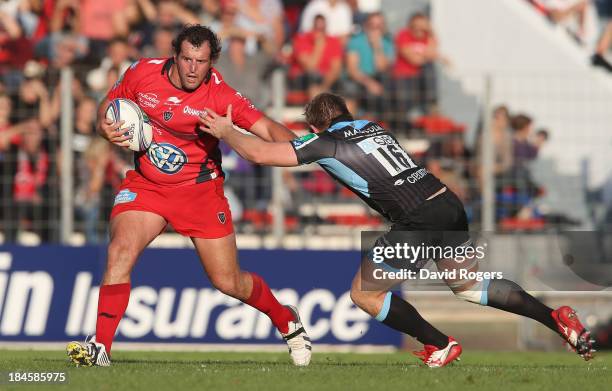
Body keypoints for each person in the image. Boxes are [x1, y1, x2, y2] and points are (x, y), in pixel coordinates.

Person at [200, 92, 595, 367]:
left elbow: (258, 154)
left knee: (364, 294)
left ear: (318, 125)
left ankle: (440, 344)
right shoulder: (373, 127)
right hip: (447, 203)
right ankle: (555, 317)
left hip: (418, 219)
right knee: (470, 287)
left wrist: (227, 131)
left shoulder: (326, 142)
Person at [66, 25, 311, 368]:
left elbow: (268, 129)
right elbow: (110, 105)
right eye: (187, 59)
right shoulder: (141, 73)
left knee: (229, 281)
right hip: (147, 187)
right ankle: (101, 348)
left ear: (212, 62)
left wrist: (309, 150)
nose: (193, 68)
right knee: (120, 251)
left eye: (201, 61)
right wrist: (102, 124)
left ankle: (286, 318)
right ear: (175, 55)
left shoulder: (219, 96)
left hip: (200, 194)